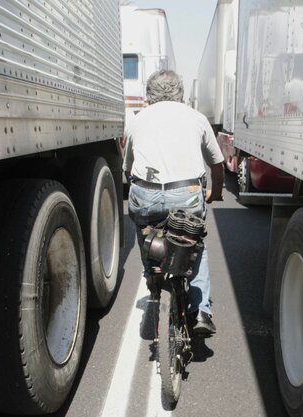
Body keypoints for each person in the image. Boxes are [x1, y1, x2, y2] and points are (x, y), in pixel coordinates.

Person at [124, 70, 224, 335]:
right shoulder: (197, 118)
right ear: (181, 93)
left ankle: (152, 276)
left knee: (144, 229)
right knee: (195, 243)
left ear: (149, 95)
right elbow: (217, 164)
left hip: (145, 194)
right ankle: (201, 310)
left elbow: (128, 168)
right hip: (187, 195)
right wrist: (216, 191)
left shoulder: (137, 120)